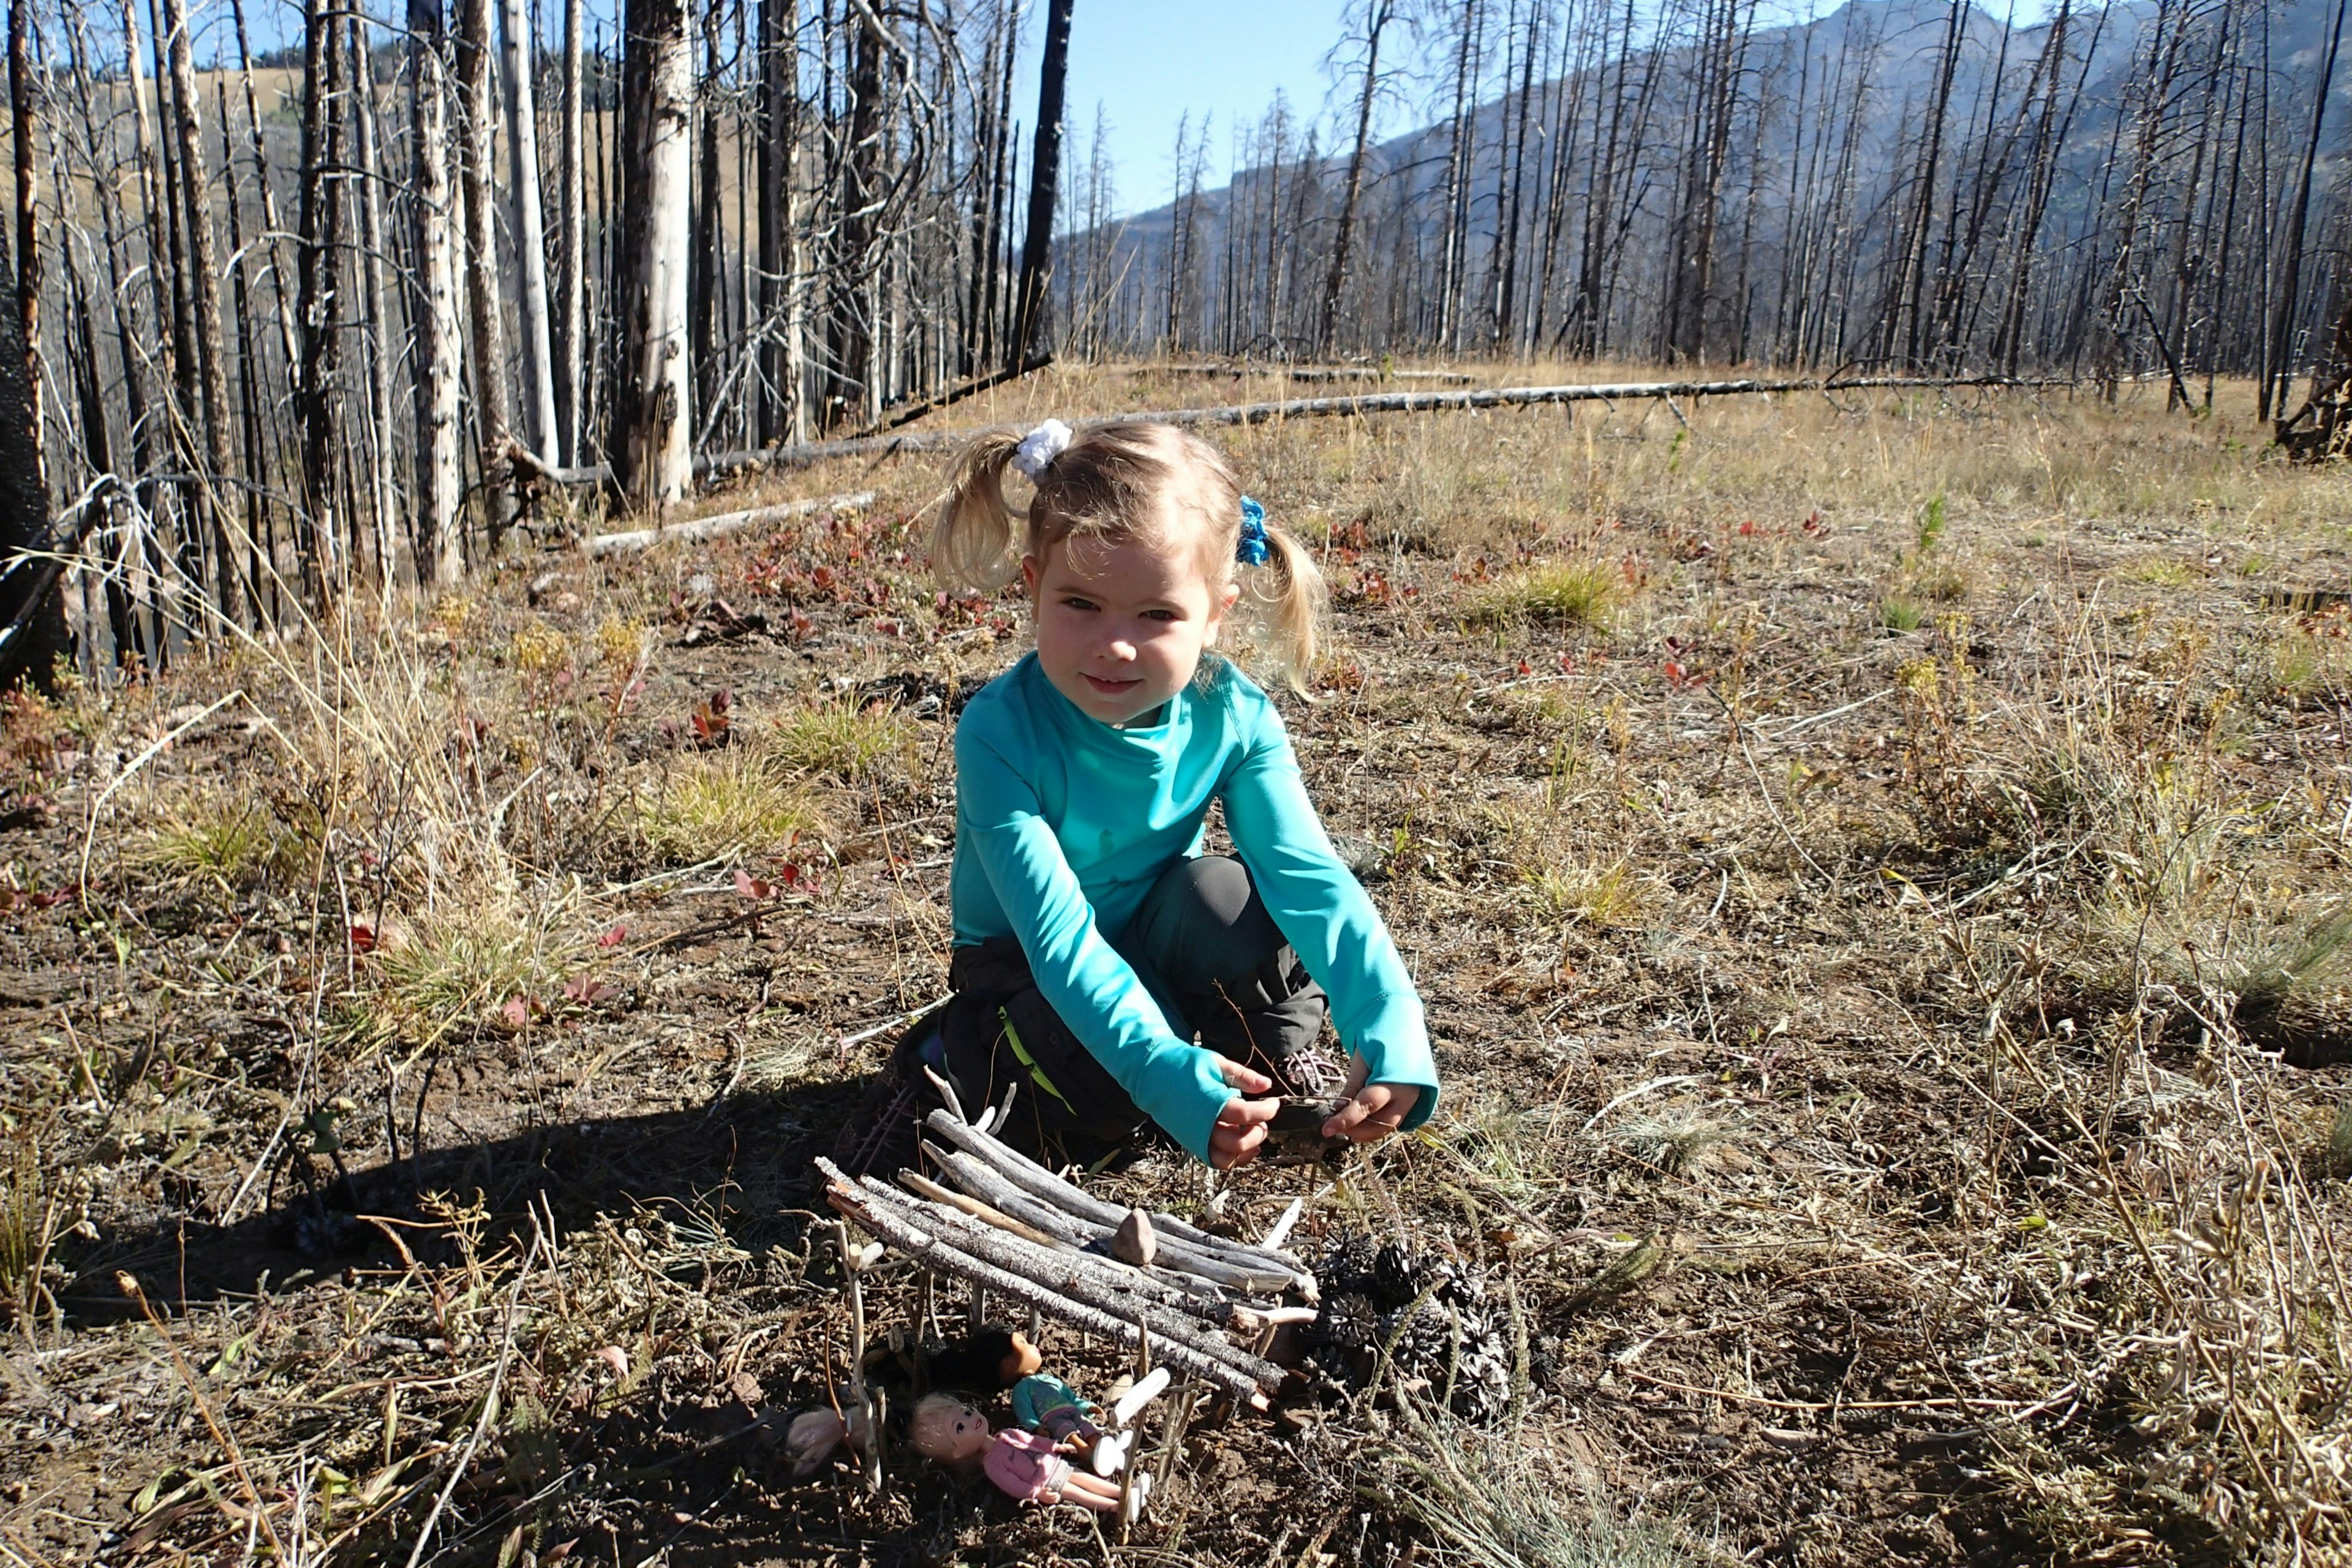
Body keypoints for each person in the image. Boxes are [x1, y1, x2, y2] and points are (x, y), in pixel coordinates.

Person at [834, 418, 1438, 1175]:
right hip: (1024, 965)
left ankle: (1232, 1082)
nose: (1115, 644)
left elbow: (1309, 879)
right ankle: (949, 1059)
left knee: (1232, 901)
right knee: (1094, 1082)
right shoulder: (1001, 731)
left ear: (1217, 610)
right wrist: (1158, 1070)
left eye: (1157, 614)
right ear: (1034, 587)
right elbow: (1059, 942)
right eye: (1081, 603)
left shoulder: (1234, 715)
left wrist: (1389, 1021)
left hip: (1153, 929)